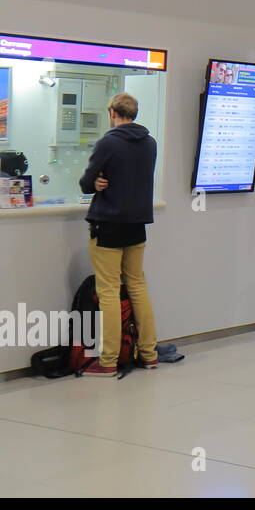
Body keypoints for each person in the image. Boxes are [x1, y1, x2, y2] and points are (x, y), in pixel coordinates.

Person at [77, 93, 159, 377]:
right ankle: (149, 353)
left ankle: (109, 359)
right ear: (134, 113)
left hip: (108, 223)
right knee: (137, 284)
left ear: (112, 112)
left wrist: (97, 183)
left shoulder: (108, 142)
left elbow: (87, 183)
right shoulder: (150, 143)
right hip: (137, 224)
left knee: (109, 290)